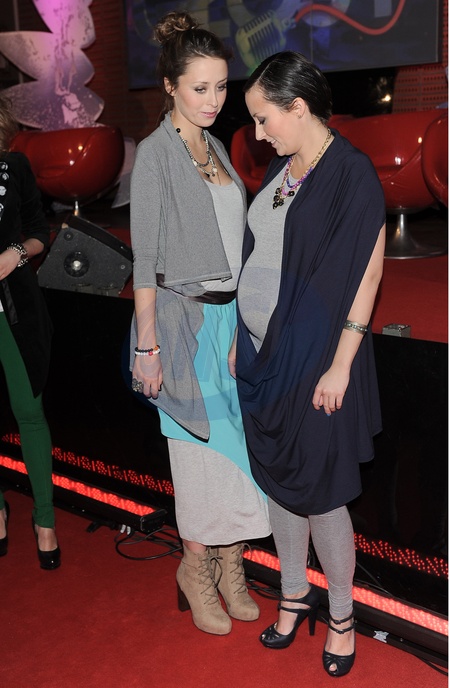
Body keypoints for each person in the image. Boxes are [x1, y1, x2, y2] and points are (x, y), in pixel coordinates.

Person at [234, 51, 386, 677]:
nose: (258, 134)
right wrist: (241, 334)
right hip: (264, 358)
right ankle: (294, 594)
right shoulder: (282, 166)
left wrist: (341, 365)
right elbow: (260, 253)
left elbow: (366, 277)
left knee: (321, 493)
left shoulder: (352, 174)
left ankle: (343, 617)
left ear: (297, 107)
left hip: (320, 361)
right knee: (279, 484)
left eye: (263, 119)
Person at [129, 11, 271, 636]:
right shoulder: (156, 156)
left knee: (237, 454)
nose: (214, 100)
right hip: (181, 324)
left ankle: (231, 567)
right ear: (170, 86)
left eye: (220, 87)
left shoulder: (215, 148)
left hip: (229, 322)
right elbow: (145, 263)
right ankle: (196, 568)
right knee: (196, 455)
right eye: (199, 88)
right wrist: (148, 347)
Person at [0, 94, 60, 569]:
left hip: (13, 309)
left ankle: (44, 519)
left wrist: (15, 254)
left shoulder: (14, 166)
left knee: (29, 411)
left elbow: (41, 231)